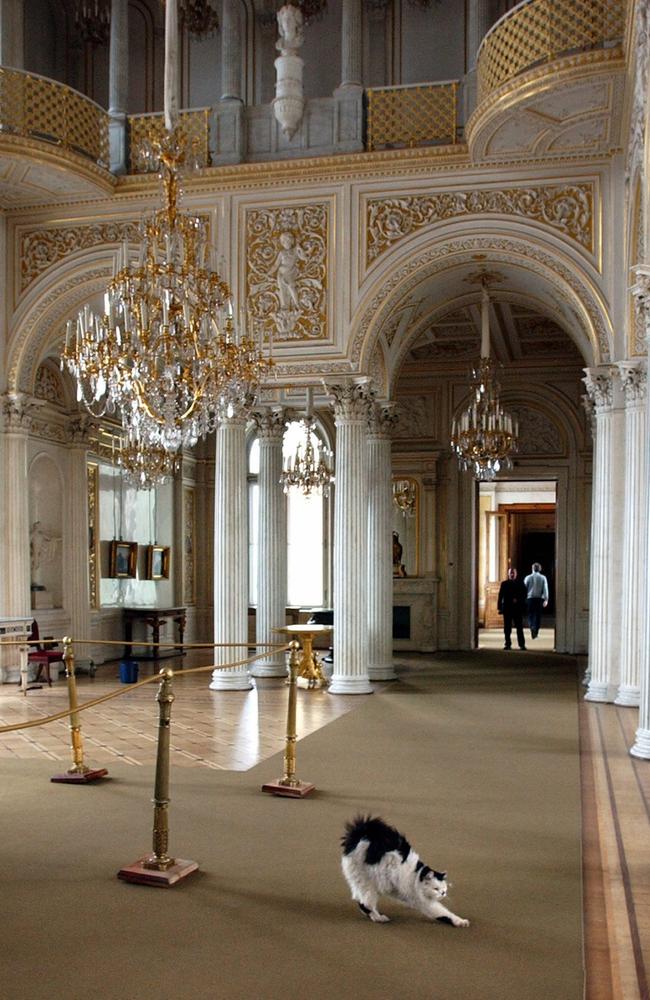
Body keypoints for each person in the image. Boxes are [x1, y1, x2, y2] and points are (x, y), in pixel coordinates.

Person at [497, 567, 527, 650]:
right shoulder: (504, 584)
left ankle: (522, 644)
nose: (512, 574)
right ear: (508, 574)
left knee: (519, 627)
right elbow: (500, 596)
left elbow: (525, 594)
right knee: (507, 627)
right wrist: (499, 607)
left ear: (516, 574)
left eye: (513, 573)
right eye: (511, 573)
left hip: (517, 608)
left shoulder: (521, 583)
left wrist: (518, 599)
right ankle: (507, 644)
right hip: (507, 608)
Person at [524, 562, 549, 639]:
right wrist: (546, 599)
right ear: (540, 569)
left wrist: (523, 598)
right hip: (539, 599)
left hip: (530, 599)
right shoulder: (543, 578)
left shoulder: (527, 577)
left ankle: (532, 627)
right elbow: (545, 589)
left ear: (532, 569)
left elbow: (524, 589)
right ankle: (536, 631)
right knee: (537, 616)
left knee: (530, 615)